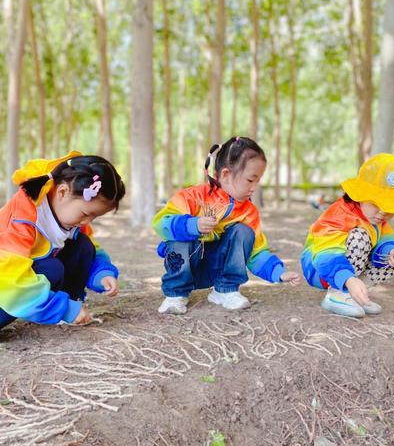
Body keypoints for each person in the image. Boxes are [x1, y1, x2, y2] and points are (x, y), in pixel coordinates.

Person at [152, 136, 301, 314]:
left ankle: (225, 290)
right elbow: (161, 223)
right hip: (186, 265)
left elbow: (257, 250)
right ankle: (175, 294)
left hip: (218, 267)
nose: (254, 187)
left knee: (244, 232)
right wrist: (192, 225)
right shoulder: (192, 197)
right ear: (225, 175)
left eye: (257, 181)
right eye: (250, 180)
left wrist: (278, 273)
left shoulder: (248, 211)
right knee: (181, 234)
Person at [0, 152, 125, 329]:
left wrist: (102, 274)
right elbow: (10, 281)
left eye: (94, 217)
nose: (87, 222)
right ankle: (61, 310)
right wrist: (63, 308)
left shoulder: (71, 217)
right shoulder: (21, 219)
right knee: (51, 269)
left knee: (83, 245)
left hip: (18, 285)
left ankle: (71, 308)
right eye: (85, 214)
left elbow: (91, 251)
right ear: (63, 191)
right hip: (6, 286)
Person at [301, 153, 394, 318]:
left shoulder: (376, 219)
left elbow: (386, 238)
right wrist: (348, 279)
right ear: (361, 196)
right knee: (360, 237)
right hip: (321, 268)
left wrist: (391, 252)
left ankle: (357, 294)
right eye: (376, 204)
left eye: (390, 208)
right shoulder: (340, 213)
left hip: (347, 271)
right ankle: (338, 294)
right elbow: (325, 253)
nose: (382, 213)